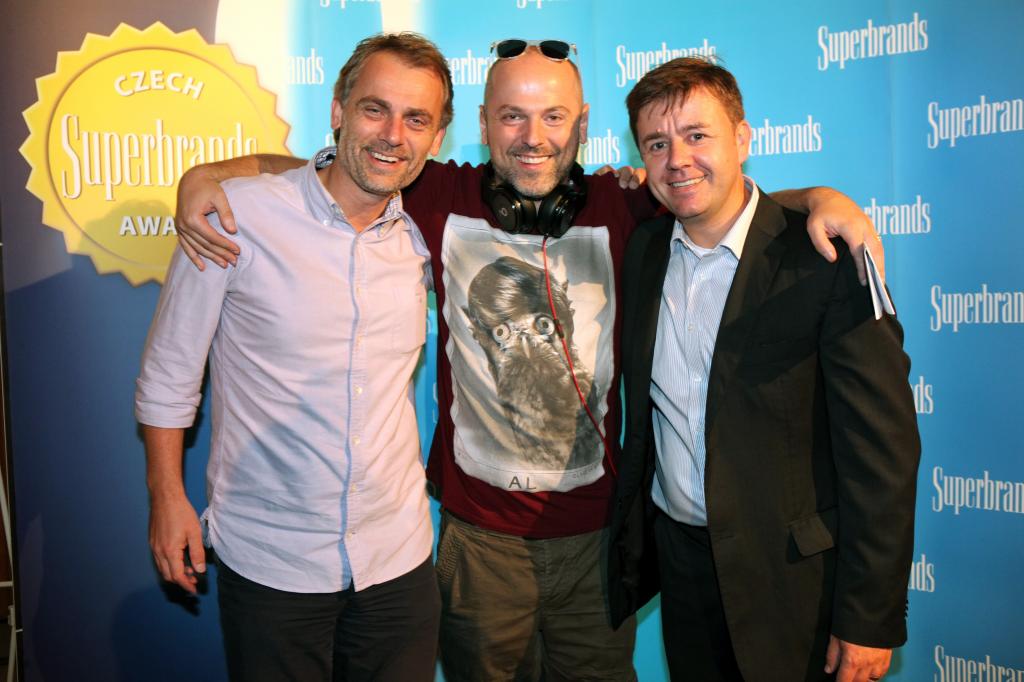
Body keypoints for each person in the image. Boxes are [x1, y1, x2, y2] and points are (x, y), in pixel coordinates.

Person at [175, 38, 884, 682]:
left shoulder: (625, 206)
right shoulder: (437, 194)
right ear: (483, 125)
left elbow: (716, 197)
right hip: (479, 546)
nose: (533, 137)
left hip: (598, 542)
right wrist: (212, 175)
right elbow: (335, 172)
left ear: (582, 125)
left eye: (553, 118)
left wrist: (819, 199)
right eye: (512, 117)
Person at [136, 33, 452, 682]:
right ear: (338, 111)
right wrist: (166, 496)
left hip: (398, 559)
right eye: (374, 109)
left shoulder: (428, 229)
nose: (393, 135)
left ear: (437, 137)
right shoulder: (236, 216)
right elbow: (169, 374)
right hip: (273, 561)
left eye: (416, 119)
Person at [608, 56, 920, 682]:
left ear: (743, 138)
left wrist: (868, 618)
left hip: (796, 585)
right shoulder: (642, 250)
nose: (678, 160)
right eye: (657, 144)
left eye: (697, 135)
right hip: (682, 572)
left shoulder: (825, 256)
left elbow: (882, 452)